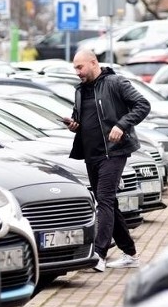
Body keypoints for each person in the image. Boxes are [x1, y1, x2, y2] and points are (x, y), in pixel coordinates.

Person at [63, 49, 150, 272]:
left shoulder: (115, 82)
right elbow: (82, 120)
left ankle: (99, 255)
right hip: (91, 154)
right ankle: (130, 253)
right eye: (75, 68)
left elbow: (143, 105)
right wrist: (75, 125)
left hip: (113, 152)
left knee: (103, 199)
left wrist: (122, 125)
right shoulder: (80, 91)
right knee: (108, 202)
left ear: (93, 63)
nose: (77, 72)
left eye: (80, 67)